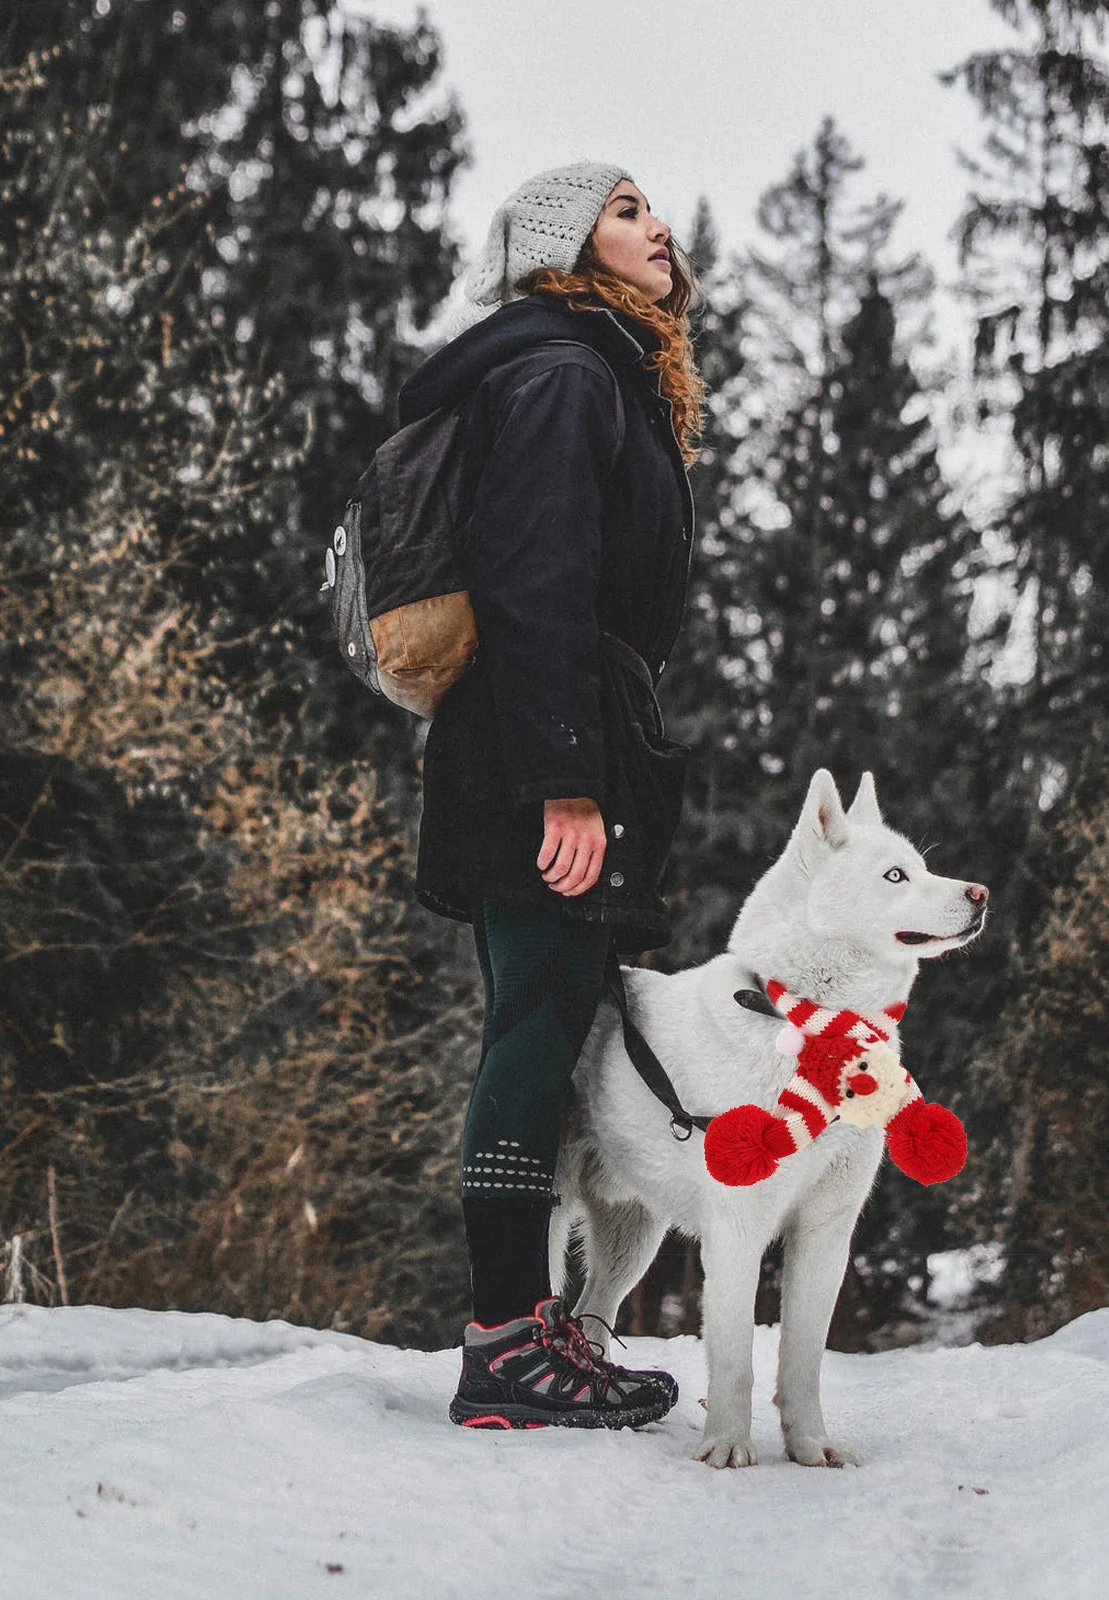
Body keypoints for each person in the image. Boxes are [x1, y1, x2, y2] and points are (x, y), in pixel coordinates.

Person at [398, 163, 703, 1430]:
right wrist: (564, 786)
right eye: (624, 210)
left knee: (547, 1017)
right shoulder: (565, 370)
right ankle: (505, 1345)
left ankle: (525, 1334)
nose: (657, 225)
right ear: (561, 248)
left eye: (652, 207)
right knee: (533, 1026)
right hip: (538, 748)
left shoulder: (585, 369)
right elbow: (533, 576)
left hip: (549, 731)